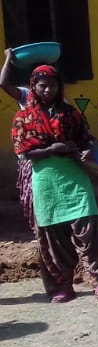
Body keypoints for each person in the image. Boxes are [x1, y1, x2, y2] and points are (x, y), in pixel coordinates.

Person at [11, 65, 98, 302]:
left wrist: (86, 151)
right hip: (45, 180)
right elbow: (23, 151)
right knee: (53, 235)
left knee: (89, 228)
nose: (48, 90)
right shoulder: (23, 117)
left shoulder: (70, 113)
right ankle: (64, 284)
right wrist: (51, 149)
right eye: (42, 85)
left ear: (59, 87)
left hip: (74, 176)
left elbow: (85, 139)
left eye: (53, 85)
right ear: (33, 87)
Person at [1, 49, 36, 237]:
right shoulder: (26, 95)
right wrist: (8, 59)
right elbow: (3, 83)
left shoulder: (57, 97)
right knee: (33, 198)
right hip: (32, 157)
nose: (46, 88)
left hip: (53, 158)